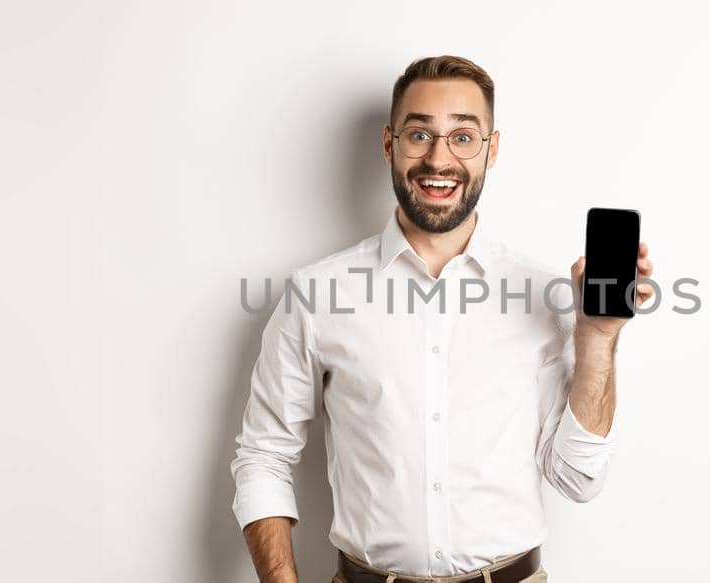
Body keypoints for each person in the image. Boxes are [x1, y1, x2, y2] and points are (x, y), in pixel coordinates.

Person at [230, 55, 654, 583]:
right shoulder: (315, 295)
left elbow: (579, 480)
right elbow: (264, 457)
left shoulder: (546, 295)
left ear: (490, 151)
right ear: (389, 144)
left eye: (463, 137)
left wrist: (597, 339)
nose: (438, 158)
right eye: (419, 134)